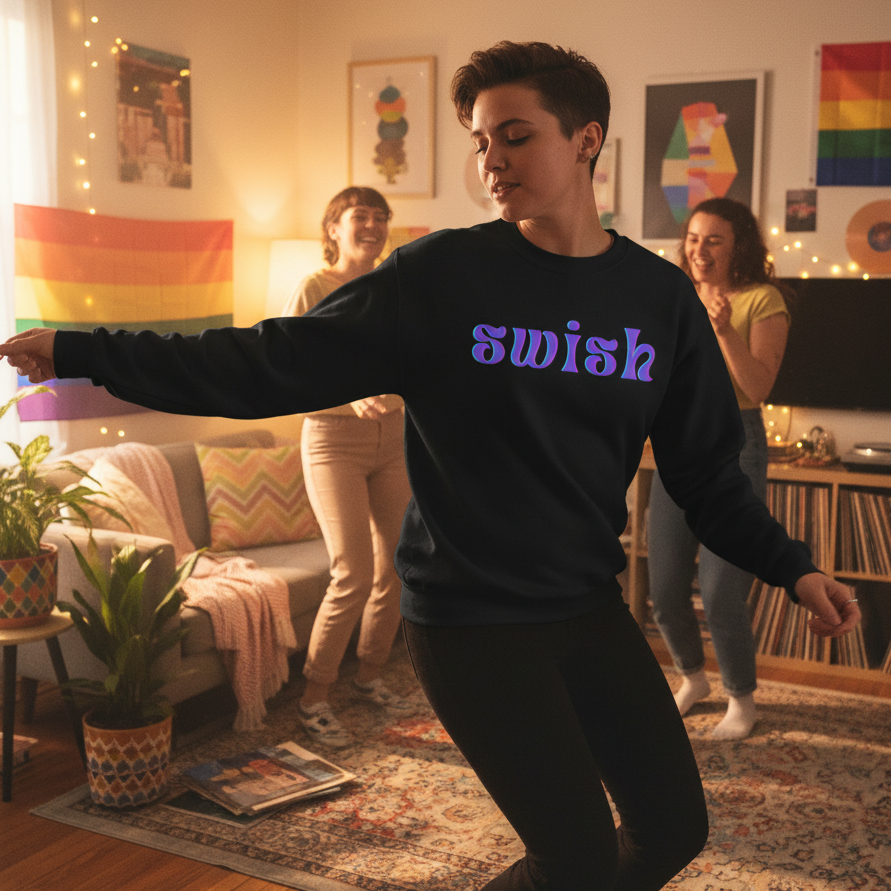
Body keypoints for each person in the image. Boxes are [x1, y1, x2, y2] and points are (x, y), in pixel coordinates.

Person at [1, 40, 859, 891]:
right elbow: (263, 361)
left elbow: (706, 474)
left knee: (673, 827)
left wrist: (793, 567)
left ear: (586, 140)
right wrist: (86, 347)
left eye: (515, 136)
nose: (490, 160)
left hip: (586, 606)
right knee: (576, 858)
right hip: (470, 619)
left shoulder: (656, 299)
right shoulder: (442, 276)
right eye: (480, 141)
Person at [647, 198, 791, 741]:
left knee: (722, 588)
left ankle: (741, 698)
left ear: (738, 248)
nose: (700, 251)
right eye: (694, 239)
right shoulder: (672, 297)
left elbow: (757, 387)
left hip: (735, 449)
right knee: (663, 586)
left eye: (715, 240)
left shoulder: (762, 299)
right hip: (676, 448)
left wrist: (724, 328)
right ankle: (691, 677)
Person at [282, 187, 413, 748]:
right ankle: (314, 699)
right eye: (361, 216)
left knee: (399, 566)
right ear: (333, 226)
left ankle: (369, 673)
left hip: (395, 436)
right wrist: (351, 396)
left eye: (381, 217)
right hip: (334, 437)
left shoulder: (395, 286)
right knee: (353, 571)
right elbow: (289, 370)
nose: (374, 225)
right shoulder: (313, 288)